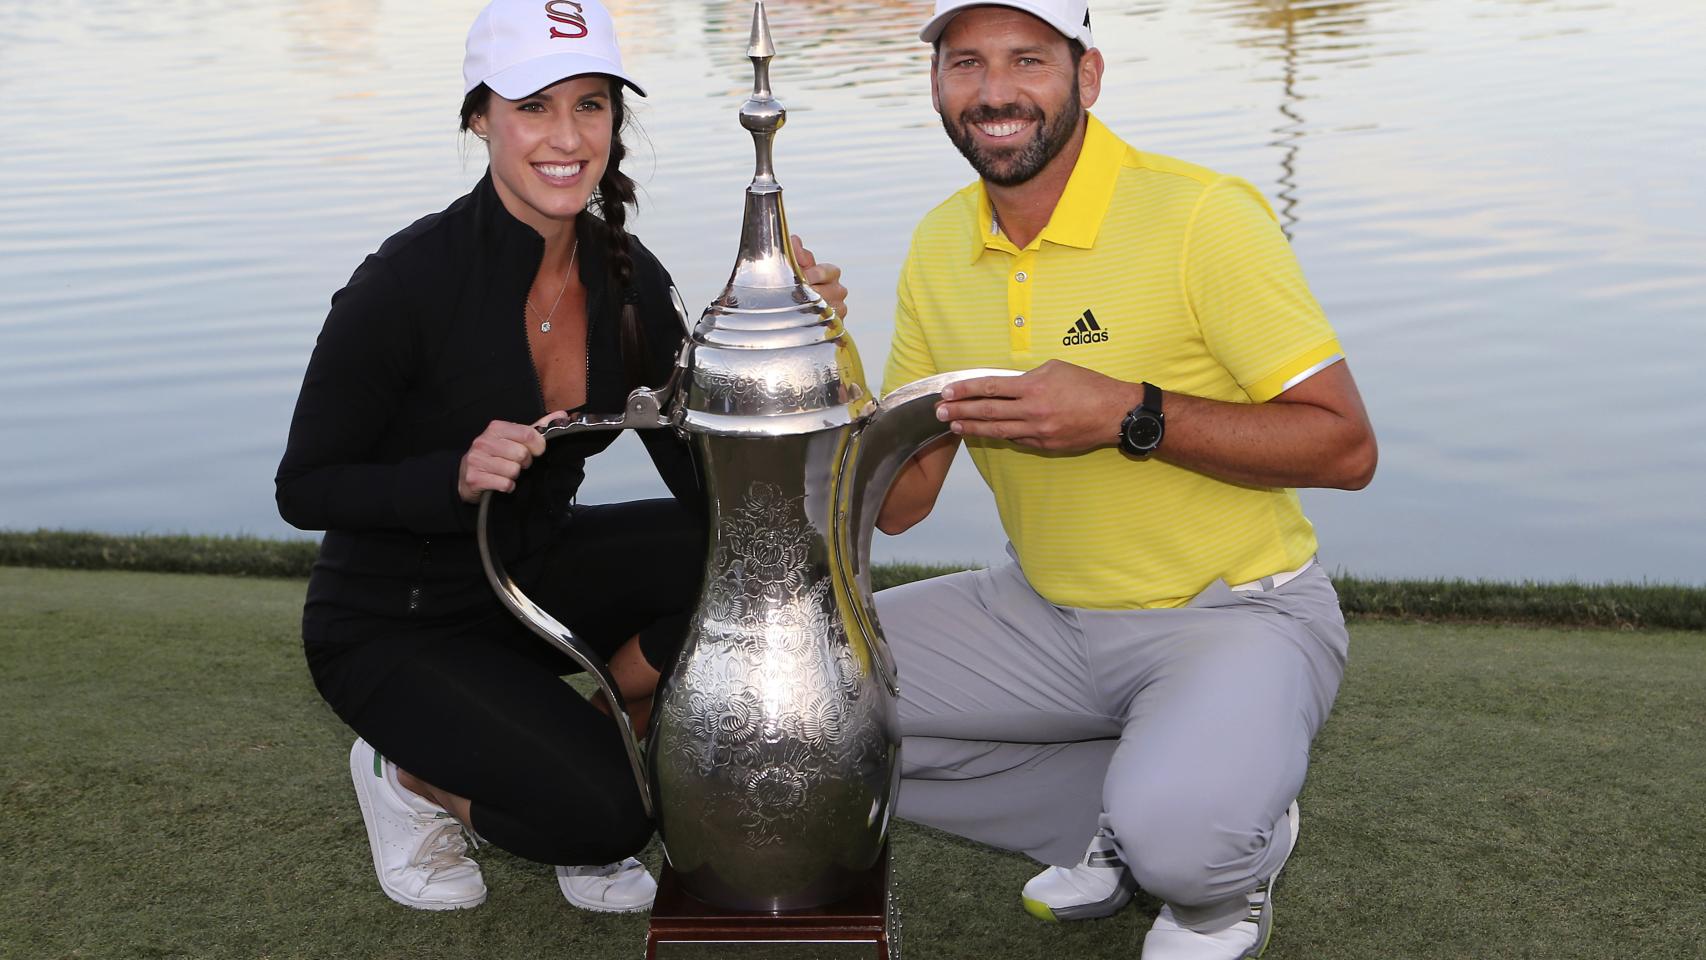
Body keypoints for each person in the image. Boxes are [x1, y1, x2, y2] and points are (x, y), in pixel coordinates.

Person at [274, 0, 847, 914]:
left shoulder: (627, 277)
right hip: (395, 623)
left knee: (756, 557)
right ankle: (409, 776)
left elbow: (706, 485)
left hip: (530, 581)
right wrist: (451, 476)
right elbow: (304, 489)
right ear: (480, 117)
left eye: (591, 104)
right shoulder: (404, 283)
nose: (568, 137)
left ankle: (584, 738)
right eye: (533, 106)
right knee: (611, 819)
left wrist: (792, 350)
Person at [874, 0, 1377, 956]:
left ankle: (1215, 875)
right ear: (936, 85)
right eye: (966, 63)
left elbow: (1345, 448)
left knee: (1183, 845)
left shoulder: (1200, 215)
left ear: (1088, 77)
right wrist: (819, 351)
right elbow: (902, 504)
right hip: (1040, 611)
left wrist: (1130, 415)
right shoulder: (939, 244)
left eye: (1029, 60)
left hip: (1235, 614)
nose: (994, 92)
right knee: (802, 705)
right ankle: (1121, 810)